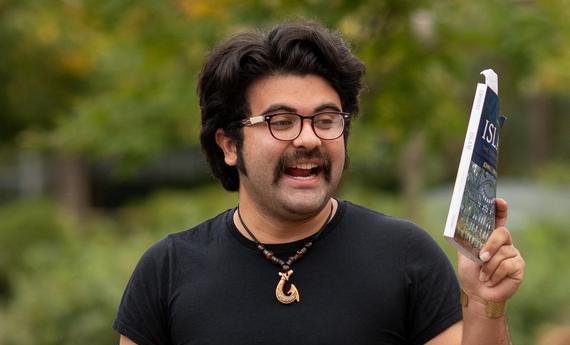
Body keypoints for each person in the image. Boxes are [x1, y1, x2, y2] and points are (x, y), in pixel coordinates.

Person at [113, 20, 525, 345]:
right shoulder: (167, 270)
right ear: (229, 145)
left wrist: (486, 306)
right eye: (281, 122)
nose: (309, 138)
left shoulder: (407, 256)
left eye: (326, 120)